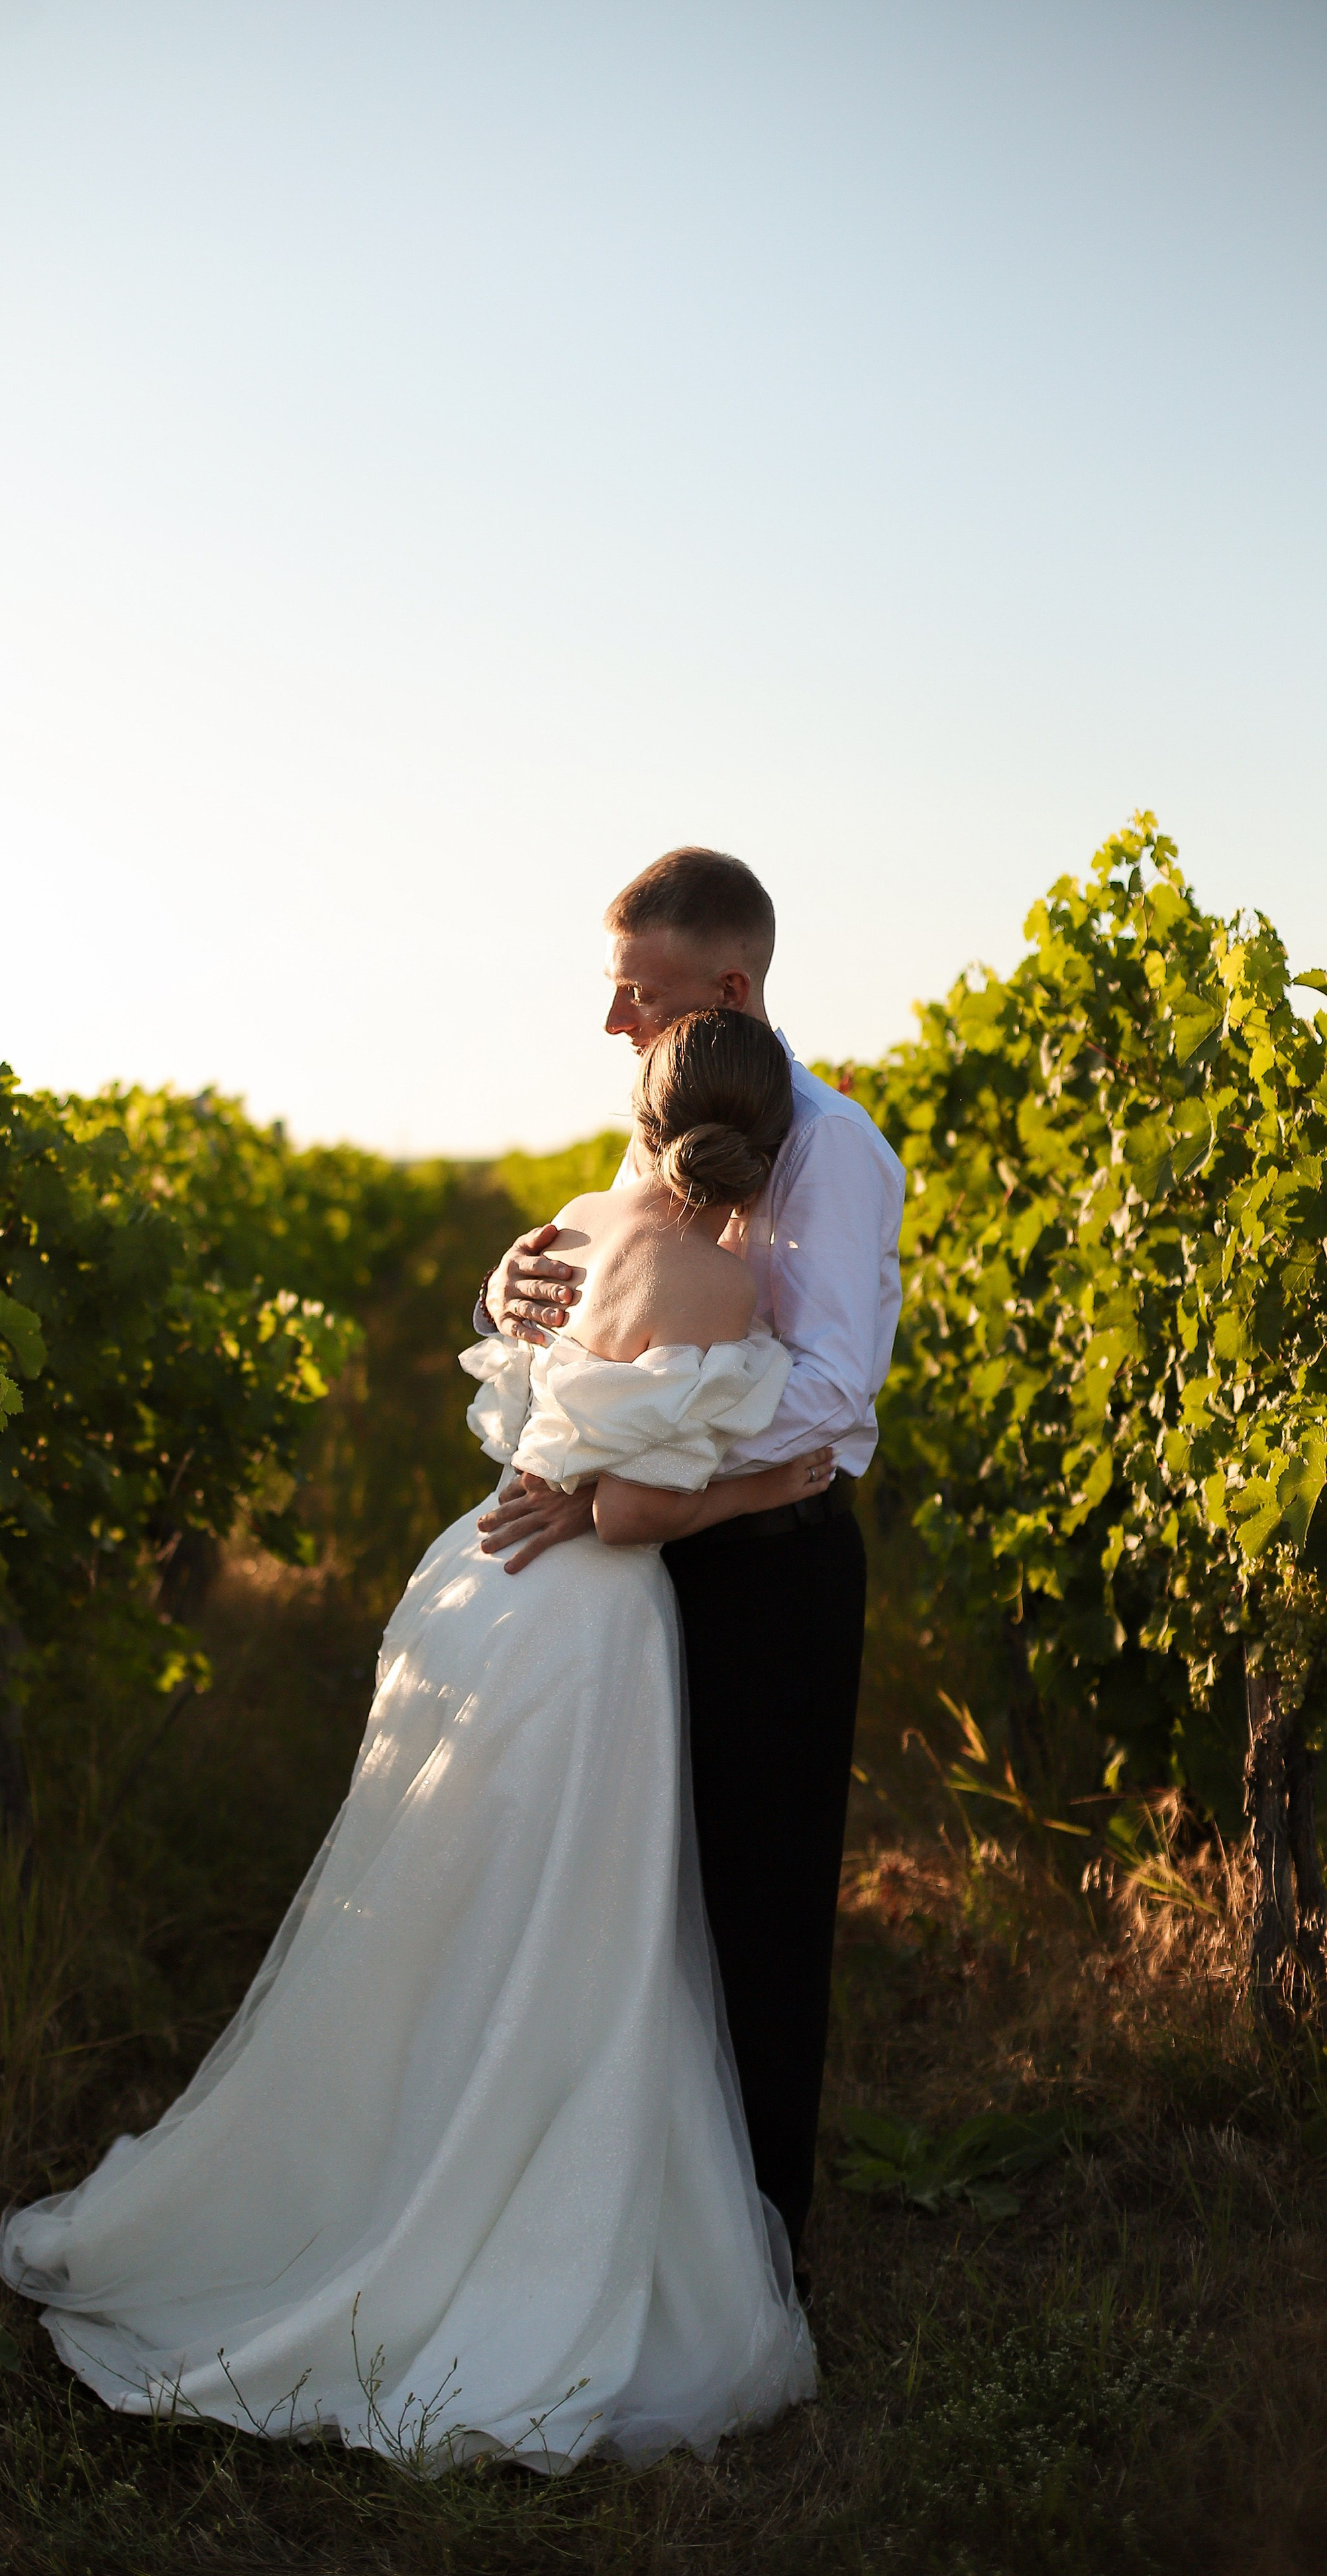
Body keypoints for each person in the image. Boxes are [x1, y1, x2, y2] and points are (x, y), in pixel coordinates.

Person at [0, 1010, 829, 2473]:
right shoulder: (730, 1289)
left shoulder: (570, 1227)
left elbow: (521, 1420)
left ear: (644, 1113)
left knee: (435, 1912)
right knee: (569, 1933)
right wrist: (783, 1484)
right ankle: (492, 2205)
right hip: (586, 1627)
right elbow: (630, 1507)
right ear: (769, 1149)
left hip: (469, 1591)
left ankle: (375, 2164)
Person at [476, 847, 904, 2282]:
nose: (612, 1028)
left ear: (725, 987)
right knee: (643, 1900)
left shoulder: (829, 1148)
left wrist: (638, 1482)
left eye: (634, 998)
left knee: (760, 1909)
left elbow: (829, 1393)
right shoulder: (672, 1121)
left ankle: (756, 2255)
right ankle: (641, 2223)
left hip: (770, 1567)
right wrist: (510, 1288)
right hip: (658, 1554)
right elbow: (608, 1291)